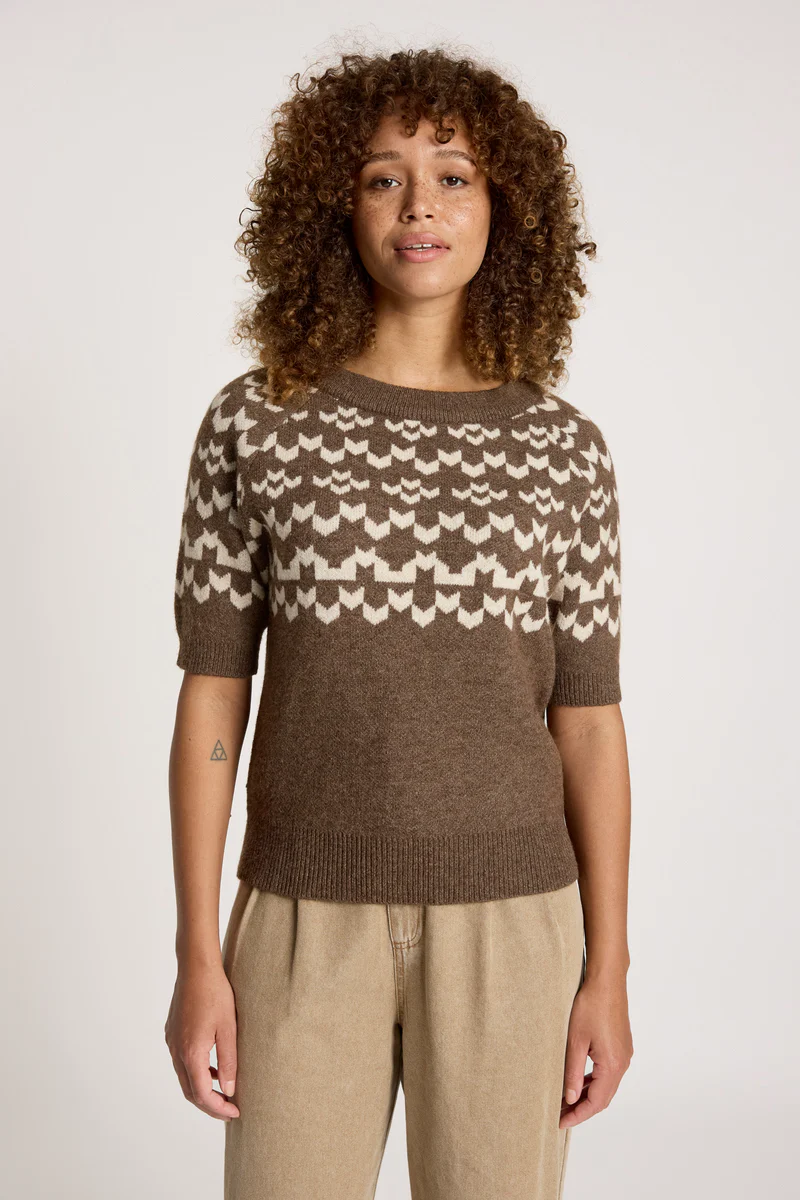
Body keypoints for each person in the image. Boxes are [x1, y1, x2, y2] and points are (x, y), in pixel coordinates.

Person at [165, 45, 633, 1200]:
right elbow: (214, 697)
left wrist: (607, 969)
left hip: (514, 928)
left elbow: (587, 721)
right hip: (298, 922)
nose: (419, 205)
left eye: (453, 177)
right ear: (335, 208)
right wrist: (197, 952)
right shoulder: (255, 424)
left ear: (504, 209)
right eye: (382, 178)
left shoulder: (562, 453)